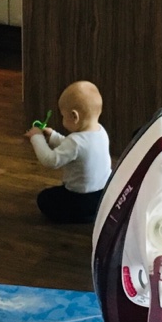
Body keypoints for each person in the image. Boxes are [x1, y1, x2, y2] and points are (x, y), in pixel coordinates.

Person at [25, 81, 111, 225]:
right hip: (103, 193)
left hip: (81, 198)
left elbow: (50, 160)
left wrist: (36, 137)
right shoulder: (100, 131)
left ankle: (82, 215)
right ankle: (96, 211)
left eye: (63, 116)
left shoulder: (75, 142)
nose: (62, 119)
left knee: (44, 199)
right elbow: (73, 149)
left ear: (74, 116)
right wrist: (52, 136)